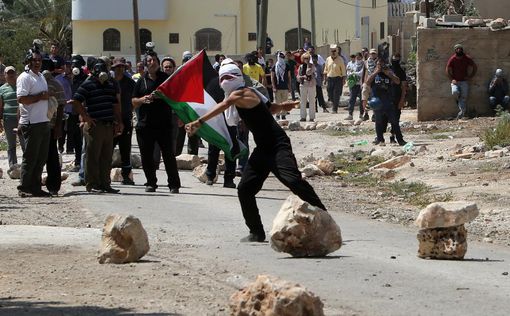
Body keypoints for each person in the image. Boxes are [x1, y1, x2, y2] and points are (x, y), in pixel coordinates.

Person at [185, 63, 327, 242]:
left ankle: (324, 215)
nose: (225, 81)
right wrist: (284, 106)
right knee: (244, 189)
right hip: (262, 149)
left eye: (228, 77)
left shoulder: (243, 93)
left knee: (292, 180)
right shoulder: (247, 95)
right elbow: (270, 108)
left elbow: (225, 103)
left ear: (237, 77)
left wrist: (199, 121)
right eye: (223, 78)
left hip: (278, 145)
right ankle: (256, 231)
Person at [71, 57, 123, 194]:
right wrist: (86, 117)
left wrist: (119, 121)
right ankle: (92, 184)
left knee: (106, 157)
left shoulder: (110, 85)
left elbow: (115, 105)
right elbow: (76, 101)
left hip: (108, 125)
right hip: (95, 125)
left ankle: (105, 183)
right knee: (93, 156)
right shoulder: (88, 84)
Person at [132, 50, 181, 193]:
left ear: (158, 63)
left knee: (168, 156)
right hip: (145, 125)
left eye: (154, 60)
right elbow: (134, 101)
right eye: (149, 61)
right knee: (147, 156)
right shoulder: (141, 81)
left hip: (164, 124)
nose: (151, 63)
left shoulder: (165, 79)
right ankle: (151, 183)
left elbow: (175, 98)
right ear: (145, 64)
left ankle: (174, 185)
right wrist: (143, 99)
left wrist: (163, 97)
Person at [16, 47, 51, 197]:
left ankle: (36, 187)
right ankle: (24, 187)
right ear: (28, 61)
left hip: (43, 121)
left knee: (41, 157)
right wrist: (39, 97)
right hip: (31, 123)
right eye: (34, 60)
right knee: (30, 157)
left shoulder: (41, 76)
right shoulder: (24, 77)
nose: (37, 63)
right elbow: (21, 99)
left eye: (39, 60)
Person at [366, 59, 406, 146]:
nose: (381, 67)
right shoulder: (374, 74)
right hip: (377, 102)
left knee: (394, 121)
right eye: (379, 65)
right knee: (378, 122)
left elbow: (398, 81)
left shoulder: (388, 73)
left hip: (388, 102)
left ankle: (400, 140)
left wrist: (388, 73)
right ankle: (380, 139)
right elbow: (367, 82)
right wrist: (376, 72)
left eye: (382, 65)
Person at [41, 58, 65, 195]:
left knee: (52, 156)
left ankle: (53, 186)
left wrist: (58, 126)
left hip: (50, 125)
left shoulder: (55, 84)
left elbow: (61, 106)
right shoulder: (35, 82)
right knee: (37, 156)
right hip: (37, 125)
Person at [112, 57, 136, 185]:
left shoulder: (130, 83)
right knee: (108, 148)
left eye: (122, 67)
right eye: (118, 67)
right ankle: (103, 175)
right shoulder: (109, 82)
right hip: (111, 120)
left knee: (125, 149)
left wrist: (129, 111)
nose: (120, 69)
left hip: (126, 119)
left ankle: (126, 175)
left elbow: (135, 99)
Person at [0, 66, 25, 167]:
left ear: (16, 74)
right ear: (4, 75)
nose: (10, 75)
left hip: (22, 119)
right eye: (8, 73)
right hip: (8, 119)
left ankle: (25, 165)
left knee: (24, 142)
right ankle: (13, 165)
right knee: (11, 144)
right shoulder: (1, 89)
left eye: (12, 73)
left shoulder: (21, 86)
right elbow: (0, 105)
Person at [446, 44, 477, 119]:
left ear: (462, 50)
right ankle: (460, 106)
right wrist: (452, 79)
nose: (459, 50)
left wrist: (470, 76)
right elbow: (447, 69)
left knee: (464, 97)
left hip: (464, 82)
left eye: (460, 49)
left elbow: (474, 67)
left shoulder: (466, 58)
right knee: (455, 92)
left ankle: (462, 113)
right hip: (455, 81)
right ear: (455, 50)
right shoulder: (452, 59)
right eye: (457, 49)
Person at [387, 53, 407, 143]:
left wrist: (402, 99)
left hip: (397, 97)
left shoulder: (401, 71)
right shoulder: (387, 70)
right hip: (387, 97)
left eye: (397, 59)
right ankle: (380, 138)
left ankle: (393, 135)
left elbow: (403, 86)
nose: (395, 61)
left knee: (396, 118)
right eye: (394, 59)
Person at [55, 60, 73, 154]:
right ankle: (60, 147)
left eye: (70, 66)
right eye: (67, 66)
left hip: (73, 107)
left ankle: (70, 148)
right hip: (62, 107)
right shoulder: (58, 78)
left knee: (71, 129)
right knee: (61, 128)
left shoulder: (75, 78)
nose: (68, 68)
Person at [323, 44, 346, 114]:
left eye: (334, 51)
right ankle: (334, 103)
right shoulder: (328, 59)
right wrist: (325, 79)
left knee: (336, 94)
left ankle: (335, 109)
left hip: (338, 79)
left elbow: (343, 70)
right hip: (330, 78)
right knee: (330, 94)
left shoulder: (340, 59)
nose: (333, 52)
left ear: (337, 51)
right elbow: (326, 69)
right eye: (332, 51)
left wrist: (344, 79)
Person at [271, 52, 292, 120]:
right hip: (277, 87)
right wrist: (274, 86)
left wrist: (289, 86)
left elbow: (289, 77)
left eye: (282, 57)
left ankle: (283, 115)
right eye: (280, 57)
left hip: (285, 87)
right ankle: (277, 115)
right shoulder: (275, 66)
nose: (281, 59)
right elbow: (272, 77)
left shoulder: (286, 66)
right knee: (277, 102)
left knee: (285, 102)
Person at [297, 53, 316, 122]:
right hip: (303, 84)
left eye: (307, 58)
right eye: (304, 58)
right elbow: (298, 77)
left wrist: (309, 65)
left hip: (311, 85)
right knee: (303, 101)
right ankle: (303, 117)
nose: (306, 60)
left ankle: (312, 117)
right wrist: (302, 77)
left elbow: (308, 73)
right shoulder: (301, 67)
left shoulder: (312, 66)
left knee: (312, 101)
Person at [346, 53, 364, 120]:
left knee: (362, 100)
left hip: (360, 84)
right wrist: (352, 74)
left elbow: (361, 73)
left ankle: (361, 114)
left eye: (359, 57)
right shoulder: (352, 64)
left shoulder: (363, 64)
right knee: (352, 99)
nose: (358, 58)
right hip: (353, 84)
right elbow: (348, 72)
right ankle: (350, 114)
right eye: (357, 57)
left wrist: (353, 73)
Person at [361, 48, 378, 121]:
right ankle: (365, 113)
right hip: (367, 82)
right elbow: (364, 72)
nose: (372, 55)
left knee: (374, 99)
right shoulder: (366, 62)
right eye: (371, 53)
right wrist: (362, 82)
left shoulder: (379, 62)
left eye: (374, 53)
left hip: (375, 83)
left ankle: (374, 114)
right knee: (364, 98)